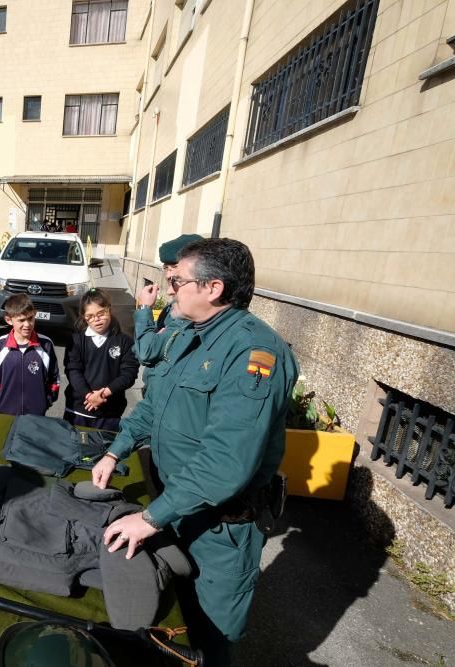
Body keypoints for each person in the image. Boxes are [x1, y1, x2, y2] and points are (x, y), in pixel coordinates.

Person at [91, 238, 299, 665]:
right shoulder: (189, 334)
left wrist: (149, 519)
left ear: (213, 288)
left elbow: (226, 463)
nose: (170, 288)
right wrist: (116, 451)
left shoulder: (253, 354)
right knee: (174, 620)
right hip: (177, 510)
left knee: (209, 635)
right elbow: (154, 405)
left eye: (178, 280)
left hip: (220, 529)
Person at [134, 233, 203, 396]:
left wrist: (144, 308)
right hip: (155, 391)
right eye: (166, 267)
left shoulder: (189, 310)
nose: (167, 274)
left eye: (174, 267)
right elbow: (141, 347)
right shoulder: (171, 307)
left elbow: (146, 352)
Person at [63, 288, 140, 431]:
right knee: (74, 450)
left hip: (110, 413)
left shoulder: (125, 341)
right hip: (78, 410)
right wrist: (89, 395)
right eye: (90, 316)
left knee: (103, 451)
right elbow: (73, 371)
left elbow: (129, 374)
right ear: (84, 317)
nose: (96, 319)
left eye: (101, 313)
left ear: (109, 310)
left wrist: (103, 394)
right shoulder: (76, 340)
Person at [0, 294, 59, 417]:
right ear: (9, 320)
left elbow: (54, 377)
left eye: (30, 318)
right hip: (6, 412)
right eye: (21, 320)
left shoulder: (46, 344)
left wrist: (47, 401)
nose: (27, 324)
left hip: (37, 414)